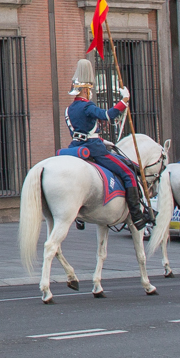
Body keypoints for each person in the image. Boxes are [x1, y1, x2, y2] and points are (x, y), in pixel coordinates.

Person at [66, 58, 152, 231]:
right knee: (128, 172)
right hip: (93, 148)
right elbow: (108, 114)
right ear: (85, 90)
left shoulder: (69, 109)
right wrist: (124, 100)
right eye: (89, 89)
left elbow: (81, 130)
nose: (90, 93)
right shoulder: (87, 106)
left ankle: (78, 216)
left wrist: (99, 136)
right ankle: (136, 216)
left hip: (75, 147)